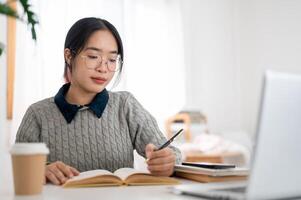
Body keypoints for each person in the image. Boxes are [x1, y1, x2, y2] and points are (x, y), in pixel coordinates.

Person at [15, 17, 182, 185]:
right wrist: (41, 170)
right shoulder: (37, 115)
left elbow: (171, 153)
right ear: (68, 56)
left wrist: (168, 161)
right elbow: (19, 174)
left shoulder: (125, 106)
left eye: (111, 60)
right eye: (93, 56)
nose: (103, 69)